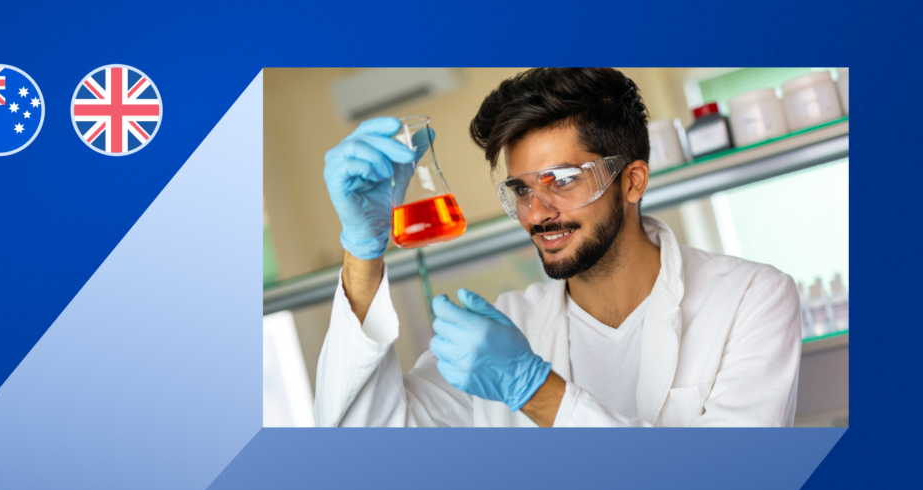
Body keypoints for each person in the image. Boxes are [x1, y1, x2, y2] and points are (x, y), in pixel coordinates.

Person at [314, 68, 801, 427]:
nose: (537, 212)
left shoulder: (749, 299)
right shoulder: (503, 334)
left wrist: (536, 391)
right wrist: (363, 249)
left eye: (563, 180)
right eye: (521, 189)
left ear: (632, 182)